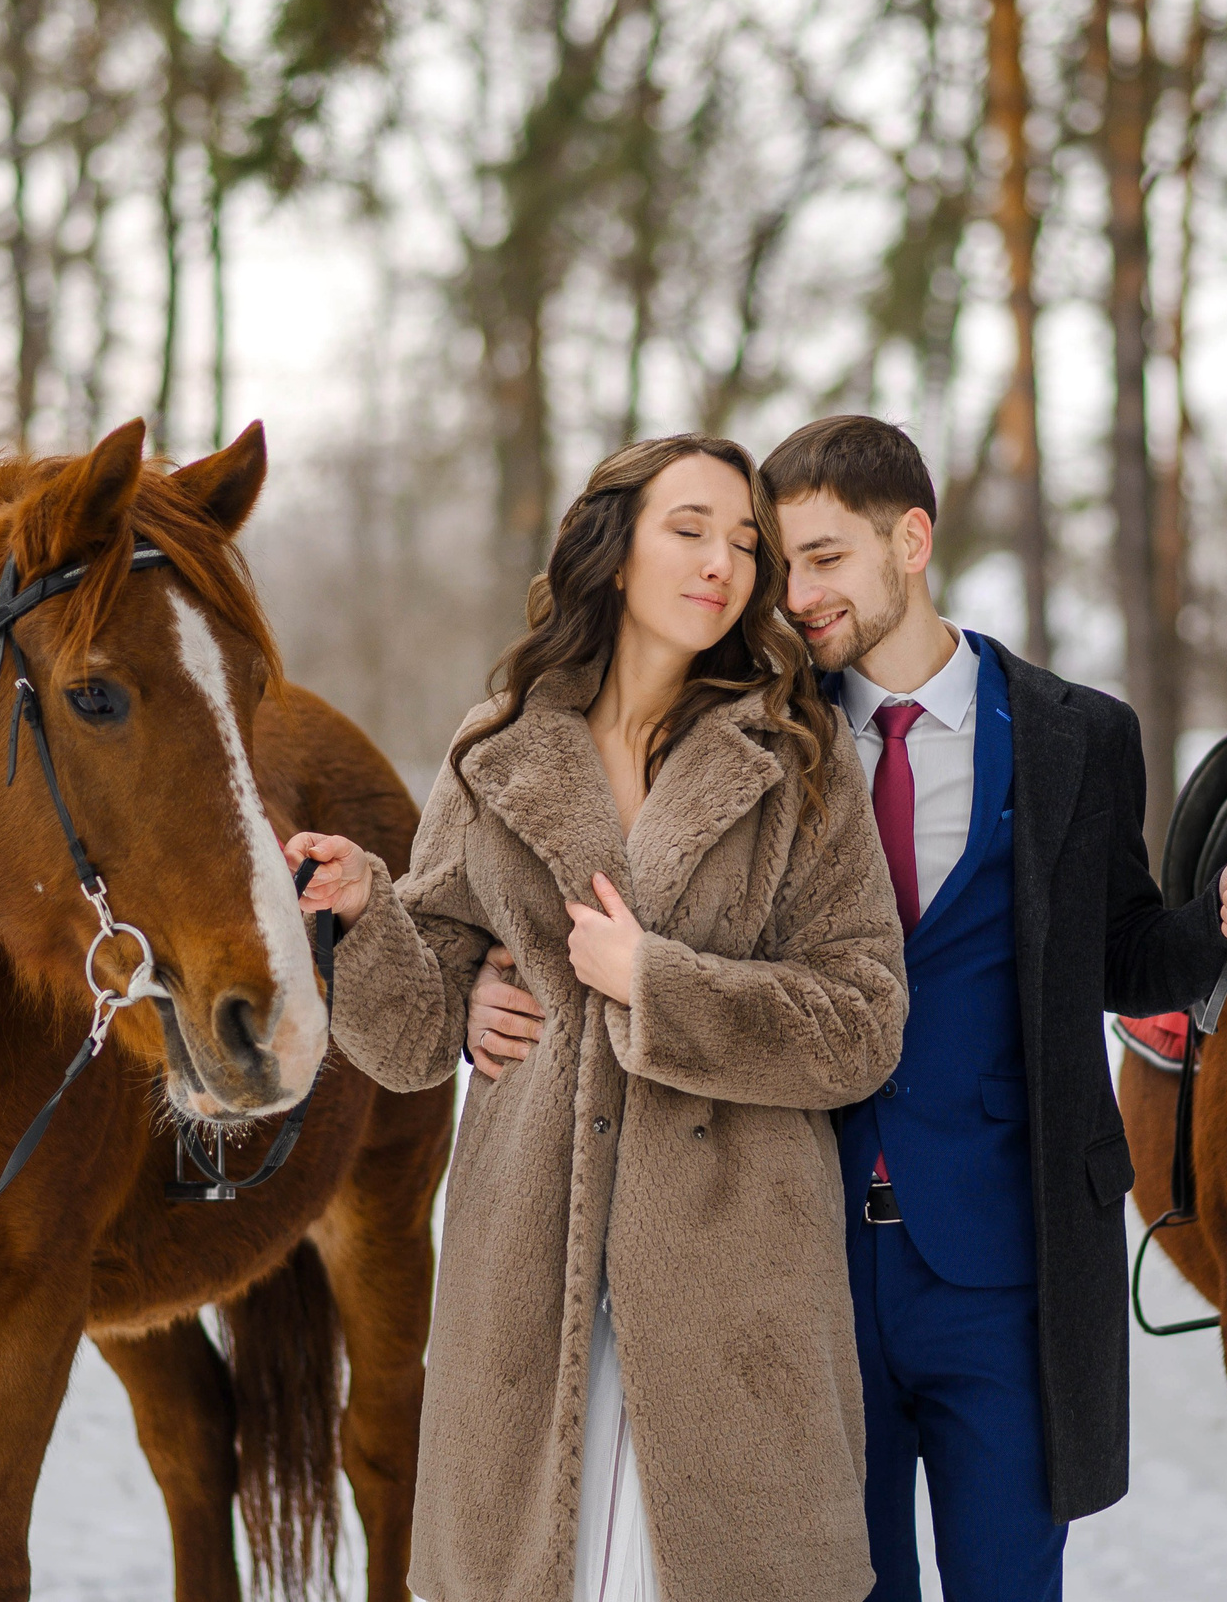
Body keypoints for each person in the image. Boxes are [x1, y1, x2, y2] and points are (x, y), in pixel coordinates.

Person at [285, 434, 909, 1602]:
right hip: (527, 1276)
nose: (722, 561)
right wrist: (368, 914)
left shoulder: (798, 760)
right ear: (614, 549)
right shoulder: (496, 751)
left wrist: (657, 982)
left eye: (743, 541)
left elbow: (862, 1020)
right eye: (689, 528)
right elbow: (414, 1039)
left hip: (736, 1292)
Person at [761, 414, 1227, 1602]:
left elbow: (1121, 951)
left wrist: (1224, 925)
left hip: (1006, 1263)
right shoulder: (762, 736)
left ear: (911, 539)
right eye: (783, 562)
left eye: (826, 556)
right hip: (804, 1249)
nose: (798, 593)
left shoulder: (1076, 734)